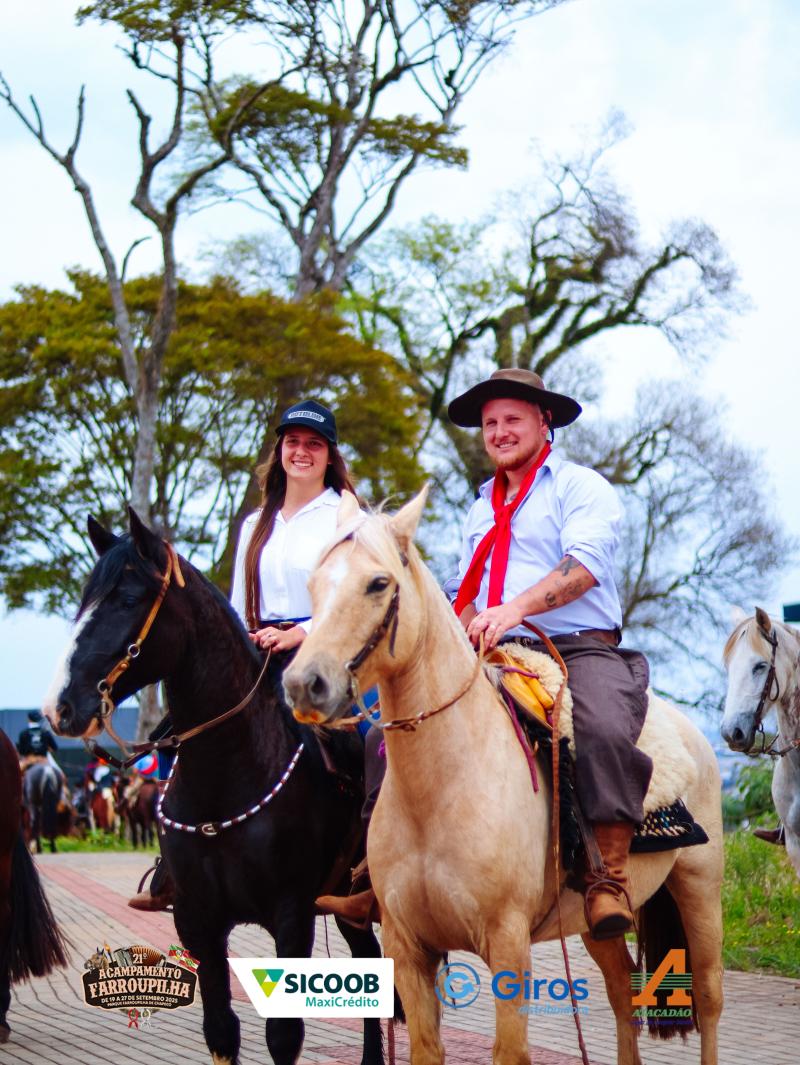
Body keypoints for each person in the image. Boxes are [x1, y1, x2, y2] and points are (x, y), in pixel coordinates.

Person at [317, 368, 652, 940]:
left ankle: (608, 877)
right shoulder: (480, 507)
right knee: (385, 734)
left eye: (512, 419)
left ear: (544, 421)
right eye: (490, 423)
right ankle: (378, 877)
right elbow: (464, 590)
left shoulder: (579, 486)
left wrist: (513, 610)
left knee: (599, 724)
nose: (499, 432)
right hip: (491, 646)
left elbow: (585, 566)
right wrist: (460, 624)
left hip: (576, 646)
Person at [129, 399, 359, 911]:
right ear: (280, 450)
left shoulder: (345, 517)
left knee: (357, 747)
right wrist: (237, 646)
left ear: (330, 455)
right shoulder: (257, 521)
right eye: (293, 442)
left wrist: (300, 633)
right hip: (256, 655)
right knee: (177, 738)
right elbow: (235, 605)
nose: (302, 452)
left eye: (314, 444)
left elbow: (352, 599)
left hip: (322, 657)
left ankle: (363, 866)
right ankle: (174, 870)